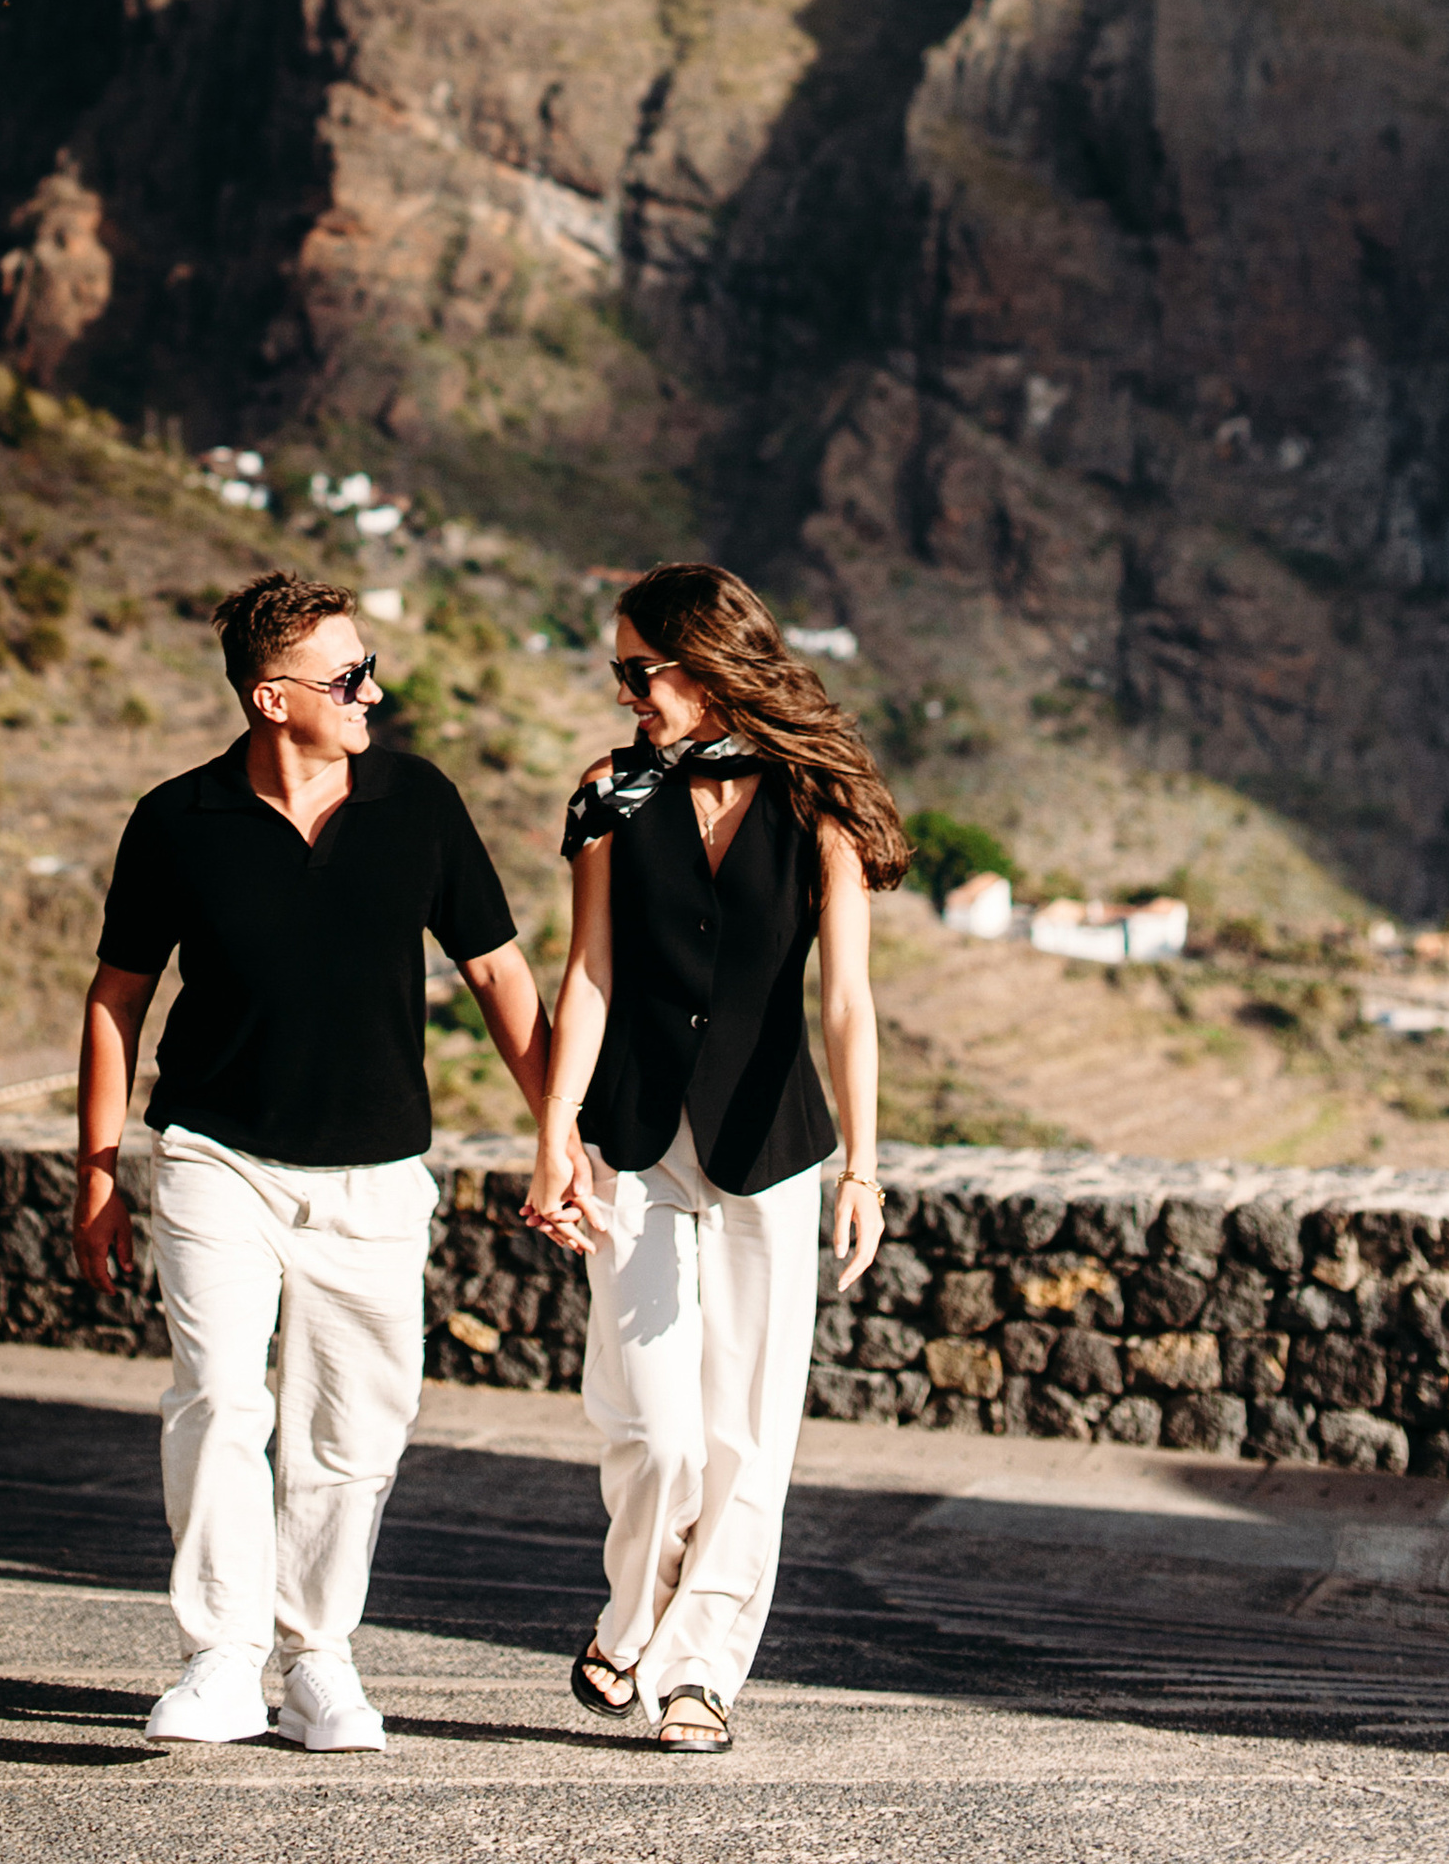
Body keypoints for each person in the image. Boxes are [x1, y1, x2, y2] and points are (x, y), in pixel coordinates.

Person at [74, 567, 552, 1755]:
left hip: (375, 1172)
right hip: (215, 1159)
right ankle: (221, 1660)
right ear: (270, 697)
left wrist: (561, 1134)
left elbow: (497, 971)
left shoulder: (417, 800)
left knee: (354, 1427)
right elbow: (115, 998)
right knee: (219, 1401)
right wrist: (96, 1172)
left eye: (366, 668)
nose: (372, 692)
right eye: (348, 676)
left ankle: (317, 1658)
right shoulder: (175, 819)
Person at [527, 559, 906, 1755]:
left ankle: (699, 1670)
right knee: (653, 1428)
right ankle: (632, 1614)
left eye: (638, 669)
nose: (623, 691)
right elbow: (588, 971)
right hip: (631, 1137)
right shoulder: (609, 791)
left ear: (705, 662)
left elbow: (844, 998)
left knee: (748, 1429)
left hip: (771, 1140)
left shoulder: (814, 798)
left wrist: (862, 1166)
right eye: (618, 670)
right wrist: (553, 1132)